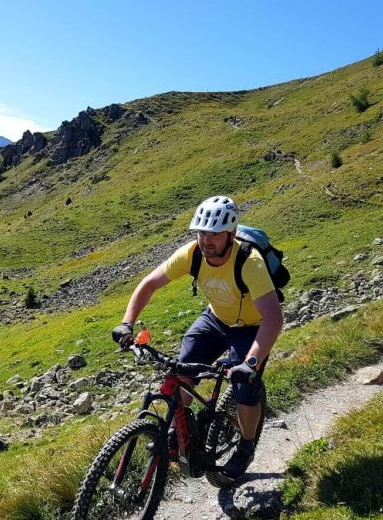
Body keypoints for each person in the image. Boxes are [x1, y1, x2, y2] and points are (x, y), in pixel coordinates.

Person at [112, 196, 283, 485]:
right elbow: (149, 284)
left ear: (230, 234)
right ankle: (181, 430)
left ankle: (246, 445)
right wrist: (127, 322)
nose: (206, 240)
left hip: (252, 326)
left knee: (244, 385)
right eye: (201, 232)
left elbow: (274, 319)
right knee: (181, 372)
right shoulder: (191, 254)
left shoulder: (249, 263)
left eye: (214, 233)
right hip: (215, 319)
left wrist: (251, 363)